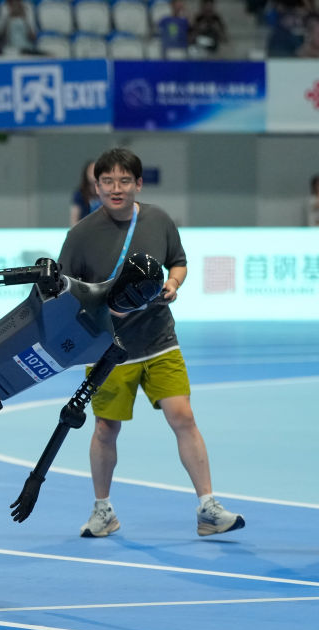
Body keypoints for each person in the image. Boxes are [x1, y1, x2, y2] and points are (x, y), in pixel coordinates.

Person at [58, 147, 245, 539]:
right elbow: (66, 292)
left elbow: (178, 261)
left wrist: (173, 283)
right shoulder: (80, 236)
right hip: (110, 349)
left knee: (183, 417)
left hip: (160, 340)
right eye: (107, 181)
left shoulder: (158, 220)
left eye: (124, 180)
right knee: (105, 428)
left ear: (138, 184)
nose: (116, 188)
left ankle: (208, 508)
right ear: (96, 186)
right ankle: (103, 510)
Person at [70, 160, 100, 227]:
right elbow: (74, 218)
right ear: (86, 174)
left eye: (96, 172)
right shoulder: (79, 194)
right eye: (91, 172)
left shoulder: (106, 193)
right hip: (84, 229)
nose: (94, 175)